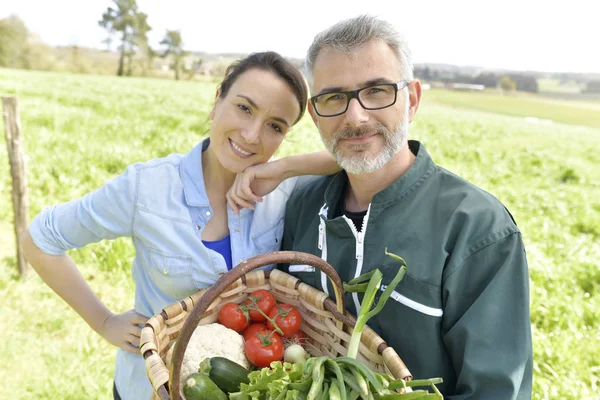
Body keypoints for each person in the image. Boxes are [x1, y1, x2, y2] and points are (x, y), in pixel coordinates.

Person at [230, 15, 533, 399]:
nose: (355, 117)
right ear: (315, 114)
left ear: (412, 99)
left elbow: (495, 391)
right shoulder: (304, 205)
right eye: (334, 97)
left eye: (376, 91)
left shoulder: (477, 229)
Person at [20, 51, 340, 400]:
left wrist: (282, 168)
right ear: (217, 100)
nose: (251, 135)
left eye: (275, 126)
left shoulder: (281, 187)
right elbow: (40, 239)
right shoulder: (147, 187)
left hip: (243, 390)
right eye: (244, 108)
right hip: (150, 389)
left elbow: (354, 158)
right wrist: (104, 322)